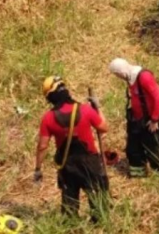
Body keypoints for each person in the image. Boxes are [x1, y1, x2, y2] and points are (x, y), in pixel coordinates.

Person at [34, 76, 110, 221]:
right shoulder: (86, 110)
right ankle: (100, 223)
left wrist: (38, 169)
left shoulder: (48, 118)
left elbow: (42, 146)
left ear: (50, 97)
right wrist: (98, 108)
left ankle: (71, 226)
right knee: (97, 196)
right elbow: (104, 128)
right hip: (90, 162)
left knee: (69, 201)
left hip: (67, 164)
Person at [108, 57, 159, 177]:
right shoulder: (131, 78)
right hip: (138, 121)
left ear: (121, 72)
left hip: (150, 121)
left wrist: (154, 120)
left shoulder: (144, 77)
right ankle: (139, 175)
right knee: (133, 148)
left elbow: (158, 98)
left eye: (117, 75)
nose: (118, 77)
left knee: (152, 149)